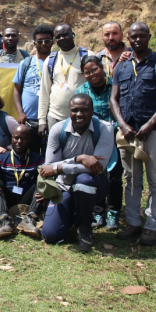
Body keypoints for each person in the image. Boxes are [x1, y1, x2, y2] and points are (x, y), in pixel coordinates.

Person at [110, 22, 156, 246]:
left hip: (153, 132)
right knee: (131, 178)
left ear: (149, 37)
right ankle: (132, 222)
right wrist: (122, 124)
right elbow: (114, 98)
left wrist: (150, 124)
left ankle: (152, 225)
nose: (137, 40)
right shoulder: (122, 66)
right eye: (133, 37)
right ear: (127, 39)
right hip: (128, 133)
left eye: (141, 36)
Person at [39, 94, 114, 252]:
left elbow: (98, 167)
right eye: (75, 110)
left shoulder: (104, 129)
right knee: (51, 235)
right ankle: (74, 217)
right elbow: (49, 166)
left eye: (84, 110)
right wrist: (79, 158)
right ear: (69, 111)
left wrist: (60, 167)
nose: (79, 114)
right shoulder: (58, 129)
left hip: (94, 186)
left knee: (84, 180)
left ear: (92, 111)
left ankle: (85, 228)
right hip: (64, 186)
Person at [76, 54, 124, 231]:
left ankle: (114, 212)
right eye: (87, 72)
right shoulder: (82, 91)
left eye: (94, 69)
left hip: (116, 138)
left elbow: (123, 109)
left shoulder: (115, 86)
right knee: (95, 174)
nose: (92, 74)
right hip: (93, 140)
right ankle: (98, 211)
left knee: (115, 177)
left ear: (102, 67)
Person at [0, 125, 46, 239]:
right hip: (8, 199)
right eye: (16, 138)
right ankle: (5, 221)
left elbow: (46, 179)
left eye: (23, 138)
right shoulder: (2, 158)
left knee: (42, 183)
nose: (19, 141)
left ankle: (30, 219)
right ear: (12, 139)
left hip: (27, 199)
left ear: (29, 140)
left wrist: (46, 191)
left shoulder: (38, 159)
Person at [38, 23, 93, 137]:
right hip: (55, 117)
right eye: (58, 37)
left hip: (82, 117)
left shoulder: (87, 56)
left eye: (65, 35)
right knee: (56, 152)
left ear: (73, 35)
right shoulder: (51, 60)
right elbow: (44, 92)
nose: (61, 38)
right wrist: (42, 120)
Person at [12, 24, 54, 156]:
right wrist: (20, 113)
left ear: (52, 42)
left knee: (50, 155)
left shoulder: (57, 62)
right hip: (29, 119)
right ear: (34, 43)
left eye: (47, 41)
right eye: (40, 41)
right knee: (30, 156)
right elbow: (16, 90)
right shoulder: (26, 63)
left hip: (50, 118)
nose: (43, 44)